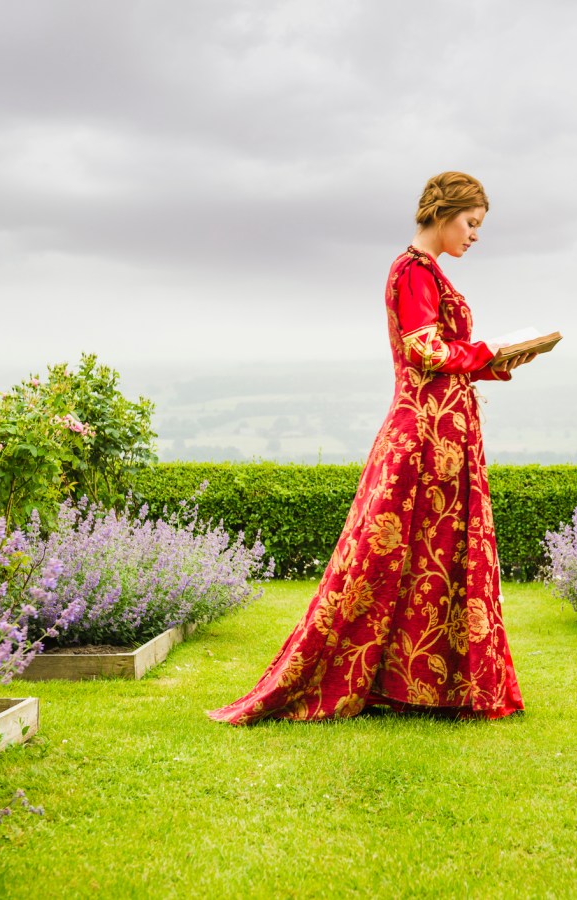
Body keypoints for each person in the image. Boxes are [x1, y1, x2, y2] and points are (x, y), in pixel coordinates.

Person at [208, 171, 535, 724]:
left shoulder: (429, 273)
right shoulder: (412, 271)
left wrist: (499, 360)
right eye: (471, 223)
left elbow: (443, 357)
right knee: (379, 563)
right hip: (424, 439)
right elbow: (424, 349)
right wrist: (486, 349)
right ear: (442, 212)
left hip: (446, 435)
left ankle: (432, 686)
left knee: (430, 562)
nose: (475, 236)